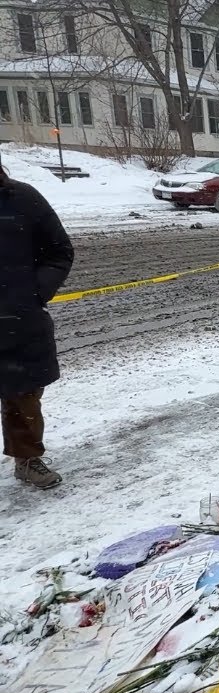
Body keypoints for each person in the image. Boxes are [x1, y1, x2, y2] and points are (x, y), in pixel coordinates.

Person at [0, 165, 74, 489]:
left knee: (24, 393)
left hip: (18, 317)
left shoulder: (22, 199)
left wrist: (33, 293)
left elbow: (60, 250)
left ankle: (27, 458)